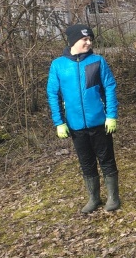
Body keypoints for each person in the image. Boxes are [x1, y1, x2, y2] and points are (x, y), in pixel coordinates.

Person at [47, 24, 120, 213]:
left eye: (90, 39)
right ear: (73, 41)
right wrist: (59, 122)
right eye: (85, 39)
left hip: (100, 122)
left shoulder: (98, 61)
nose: (89, 42)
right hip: (75, 125)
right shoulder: (58, 65)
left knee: (107, 159)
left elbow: (109, 87)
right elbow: (53, 94)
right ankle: (94, 198)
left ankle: (113, 197)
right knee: (86, 162)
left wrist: (111, 115)